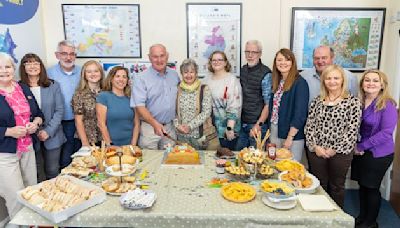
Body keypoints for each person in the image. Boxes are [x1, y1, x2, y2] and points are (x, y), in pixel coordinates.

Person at [305, 64, 361, 209]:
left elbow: (352, 130)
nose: (332, 81)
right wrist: (315, 146)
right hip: (317, 151)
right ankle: (319, 215)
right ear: (324, 81)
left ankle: (336, 219)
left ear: (342, 80)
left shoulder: (352, 102)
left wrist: (334, 149)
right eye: (328, 78)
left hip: (340, 153)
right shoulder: (317, 101)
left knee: (337, 186)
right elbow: (309, 126)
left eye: (336, 78)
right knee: (319, 185)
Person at [351, 69, 398, 228]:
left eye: (375, 81)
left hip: (378, 153)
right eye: (367, 80)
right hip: (360, 151)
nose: (370, 83)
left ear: (382, 85)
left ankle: (370, 223)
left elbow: (386, 133)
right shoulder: (359, 101)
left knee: (371, 188)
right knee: (363, 186)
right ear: (362, 83)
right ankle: (362, 218)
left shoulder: (388, 104)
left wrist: (361, 146)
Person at [0, 52, 43, 219]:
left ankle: (33, 222)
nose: (4, 70)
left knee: (31, 190)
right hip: (5, 153)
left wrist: (36, 123)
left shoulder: (22, 88)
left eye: (8, 66)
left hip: (28, 147)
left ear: (14, 68)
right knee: (15, 196)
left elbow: (38, 114)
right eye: (0, 67)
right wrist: (9, 131)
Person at [19, 53, 66, 180]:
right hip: (29, 137)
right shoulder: (18, 88)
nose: (32, 66)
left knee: (52, 171)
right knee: (35, 173)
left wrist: (48, 131)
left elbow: (59, 110)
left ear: (41, 66)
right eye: (28, 63)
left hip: (53, 134)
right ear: (23, 67)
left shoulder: (53, 85)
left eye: (36, 62)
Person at [131, 44, 180, 149]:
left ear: (167, 56)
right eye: (155, 56)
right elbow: (139, 106)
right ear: (149, 57)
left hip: (169, 128)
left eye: (162, 56)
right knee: (149, 161)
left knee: (170, 160)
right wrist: (155, 124)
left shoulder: (174, 75)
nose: (159, 60)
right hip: (149, 129)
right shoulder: (141, 78)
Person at [268, 48, 309, 161]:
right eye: (279, 60)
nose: (283, 63)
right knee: (275, 165)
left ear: (292, 62)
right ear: (275, 63)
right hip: (275, 130)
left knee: (291, 169)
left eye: (287, 60)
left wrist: (290, 137)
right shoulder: (277, 82)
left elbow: (300, 114)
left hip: (292, 134)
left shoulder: (300, 83)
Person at [47, 40, 81, 168]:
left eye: (72, 54)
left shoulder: (83, 72)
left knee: (80, 157)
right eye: (64, 53)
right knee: (64, 158)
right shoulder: (48, 73)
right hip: (59, 123)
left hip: (81, 122)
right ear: (57, 55)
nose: (68, 57)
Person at [174, 58, 219, 150]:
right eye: (185, 72)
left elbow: (206, 112)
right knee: (184, 161)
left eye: (192, 72)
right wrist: (177, 125)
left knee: (202, 161)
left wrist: (190, 126)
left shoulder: (204, 89)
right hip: (181, 136)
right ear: (182, 74)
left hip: (200, 137)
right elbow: (173, 111)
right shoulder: (177, 88)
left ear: (196, 73)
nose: (189, 75)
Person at [236, 40, 272, 150]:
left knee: (256, 161)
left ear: (260, 54)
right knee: (239, 159)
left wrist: (258, 125)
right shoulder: (243, 70)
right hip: (242, 124)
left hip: (257, 125)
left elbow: (268, 104)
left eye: (254, 52)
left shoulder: (266, 73)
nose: (250, 55)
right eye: (247, 52)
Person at [203, 50, 242, 151]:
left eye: (220, 59)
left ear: (225, 63)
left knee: (227, 160)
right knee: (212, 160)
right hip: (211, 129)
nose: (217, 62)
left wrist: (229, 128)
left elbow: (235, 106)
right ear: (210, 62)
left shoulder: (232, 80)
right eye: (214, 60)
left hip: (227, 130)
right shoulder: (207, 79)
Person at [96, 66, 139, 146]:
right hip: (110, 145)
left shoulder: (131, 97)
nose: (121, 79)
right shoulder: (103, 96)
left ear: (127, 80)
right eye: (117, 76)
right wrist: (110, 145)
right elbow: (101, 124)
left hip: (129, 145)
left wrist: (133, 145)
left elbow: (136, 124)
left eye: (124, 77)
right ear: (111, 79)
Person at [72, 60, 104, 147]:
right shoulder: (79, 94)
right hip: (87, 140)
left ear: (101, 73)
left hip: (105, 139)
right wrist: (85, 143)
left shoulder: (107, 92)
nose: (93, 74)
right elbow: (78, 121)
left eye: (96, 71)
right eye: (89, 72)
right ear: (84, 75)